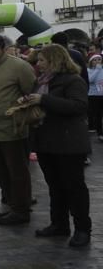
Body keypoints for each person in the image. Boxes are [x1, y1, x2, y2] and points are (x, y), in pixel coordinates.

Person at [19, 44, 92, 247]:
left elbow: (79, 106)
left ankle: (82, 228)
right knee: (55, 186)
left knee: (74, 187)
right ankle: (59, 224)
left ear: (54, 60)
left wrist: (43, 99)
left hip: (68, 142)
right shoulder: (40, 81)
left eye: (42, 60)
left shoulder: (72, 80)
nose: (38, 64)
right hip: (46, 141)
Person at [0, 32, 36, 225]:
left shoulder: (19, 66)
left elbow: (32, 93)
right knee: (1, 171)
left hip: (12, 130)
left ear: (0, 48)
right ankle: (12, 205)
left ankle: (21, 209)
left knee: (17, 172)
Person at [88, 54, 103, 142]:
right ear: (91, 62)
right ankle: (100, 133)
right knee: (98, 114)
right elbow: (90, 80)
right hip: (94, 95)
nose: (97, 61)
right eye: (95, 60)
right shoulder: (89, 70)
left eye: (99, 59)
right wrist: (97, 69)